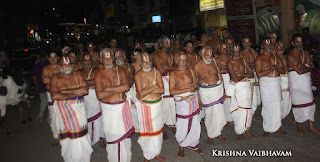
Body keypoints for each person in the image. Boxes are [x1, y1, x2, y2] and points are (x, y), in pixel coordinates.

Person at [50, 56, 92, 162]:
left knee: (81, 137)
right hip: (63, 113)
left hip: (78, 111)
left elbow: (85, 90)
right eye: (64, 64)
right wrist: (75, 91)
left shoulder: (77, 74)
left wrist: (64, 93)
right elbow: (54, 96)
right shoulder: (55, 77)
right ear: (59, 66)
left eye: (68, 64)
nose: (67, 66)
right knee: (66, 139)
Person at [95, 48, 134, 162]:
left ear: (113, 58)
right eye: (105, 58)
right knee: (113, 137)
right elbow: (100, 95)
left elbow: (126, 87)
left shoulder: (120, 71)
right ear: (101, 60)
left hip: (121, 108)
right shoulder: (99, 74)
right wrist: (118, 89)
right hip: (109, 111)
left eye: (110, 57)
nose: (108, 60)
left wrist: (107, 89)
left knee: (124, 139)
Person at [170, 52, 203, 158]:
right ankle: (181, 146)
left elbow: (197, 85)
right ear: (176, 61)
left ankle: (194, 145)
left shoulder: (191, 70)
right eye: (181, 60)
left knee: (195, 122)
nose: (184, 62)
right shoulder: (173, 73)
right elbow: (172, 91)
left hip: (193, 100)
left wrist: (195, 86)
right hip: (182, 102)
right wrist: (187, 89)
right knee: (182, 124)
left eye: (185, 59)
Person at [134, 52, 166, 162]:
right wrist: (155, 86)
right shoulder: (138, 75)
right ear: (140, 62)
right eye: (144, 61)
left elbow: (162, 90)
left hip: (157, 105)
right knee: (147, 131)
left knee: (157, 130)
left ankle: (156, 153)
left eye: (148, 61)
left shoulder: (156, 72)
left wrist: (147, 89)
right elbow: (141, 94)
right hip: (145, 107)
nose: (147, 63)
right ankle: (147, 155)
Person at [287, 34, 320, 135]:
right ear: (292, 43)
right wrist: (307, 67)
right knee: (298, 103)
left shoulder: (305, 52)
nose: (300, 43)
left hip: (305, 81)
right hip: (296, 82)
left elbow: (312, 65)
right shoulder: (290, 56)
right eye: (297, 42)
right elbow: (299, 71)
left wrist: (305, 66)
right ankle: (299, 125)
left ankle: (311, 126)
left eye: (301, 41)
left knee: (310, 101)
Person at [195, 46, 227, 145]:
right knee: (210, 114)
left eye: (210, 55)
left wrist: (224, 91)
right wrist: (198, 98)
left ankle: (218, 133)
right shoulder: (197, 66)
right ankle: (210, 136)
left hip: (217, 90)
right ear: (202, 55)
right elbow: (195, 83)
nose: (209, 57)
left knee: (218, 113)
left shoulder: (214, 61)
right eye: (207, 55)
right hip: (206, 93)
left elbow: (220, 76)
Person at [256, 38, 287, 137]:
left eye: (270, 44)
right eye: (266, 44)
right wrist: (271, 69)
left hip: (276, 83)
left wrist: (277, 68)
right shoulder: (259, 58)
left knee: (277, 106)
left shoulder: (276, 56)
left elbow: (283, 70)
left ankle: (277, 127)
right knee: (267, 106)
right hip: (266, 84)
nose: (268, 46)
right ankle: (267, 128)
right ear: (262, 46)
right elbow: (259, 74)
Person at [227, 44, 255, 140]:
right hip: (237, 87)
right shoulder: (229, 62)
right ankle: (239, 132)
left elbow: (252, 74)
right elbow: (235, 78)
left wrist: (242, 74)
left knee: (247, 109)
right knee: (239, 110)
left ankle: (247, 129)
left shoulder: (244, 60)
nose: (237, 53)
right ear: (231, 52)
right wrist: (245, 76)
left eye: (238, 51)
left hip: (245, 87)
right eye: (235, 51)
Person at [80, 54, 105, 147]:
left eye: (88, 60)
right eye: (85, 60)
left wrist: (85, 83)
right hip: (86, 98)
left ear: (92, 61)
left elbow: (98, 81)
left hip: (95, 96)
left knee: (100, 118)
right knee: (89, 118)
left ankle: (101, 139)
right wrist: (92, 82)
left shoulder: (96, 70)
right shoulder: (79, 72)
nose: (87, 62)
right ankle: (90, 138)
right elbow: (79, 83)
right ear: (82, 62)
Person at [153, 36, 176, 139]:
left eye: (169, 43)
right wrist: (170, 69)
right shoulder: (156, 56)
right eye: (166, 43)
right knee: (162, 106)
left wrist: (168, 68)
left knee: (172, 104)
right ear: (161, 44)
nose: (169, 45)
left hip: (170, 81)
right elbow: (161, 71)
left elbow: (177, 67)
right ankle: (162, 128)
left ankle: (173, 124)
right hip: (161, 82)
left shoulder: (171, 55)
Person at [240, 37, 261, 122]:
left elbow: (258, 62)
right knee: (249, 96)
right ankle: (249, 115)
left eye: (248, 42)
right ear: (242, 44)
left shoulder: (254, 52)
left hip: (255, 74)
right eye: (245, 42)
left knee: (255, 96)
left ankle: (252, 113)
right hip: (247, 76)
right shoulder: (241, 54)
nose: (247, 44)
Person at [42, 51, 60, 147]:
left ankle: (64, 135)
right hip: (51, 94)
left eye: (54, 57)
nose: (53, 59)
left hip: (62, 94)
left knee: (63, 115)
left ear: (57, 58)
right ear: (48, 59)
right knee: (53, 117)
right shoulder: (46, 68)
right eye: (51, 57)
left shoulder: (61, 67)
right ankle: (56, 137)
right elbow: (45, 80)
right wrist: (58, 79)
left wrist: (52, 79)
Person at [215, 42, 233, 124]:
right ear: (219, 49)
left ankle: (231, 117)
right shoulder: (217, 59)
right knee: (224, 97)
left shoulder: (231, 57)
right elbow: (217, 71)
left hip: (231, 78)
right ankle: (225, 118)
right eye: (222, 48)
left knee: (231, 97)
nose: (224, 50)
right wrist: (228, 69)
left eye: (226, 48)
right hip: (223, 79)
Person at [276, 41, 293, 122]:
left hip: (288, 78)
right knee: (282, 98)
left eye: (282, 46)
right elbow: (278, 69)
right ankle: (280, 115)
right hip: (281, 79)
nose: (281, 48)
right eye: (279, 46)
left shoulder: (286, 56)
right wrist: (285, 70)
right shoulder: (275, 57)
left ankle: (286, 114)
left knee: (288, 98)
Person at [33, 51, 49, 123]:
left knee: (43, 101)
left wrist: (36, 85)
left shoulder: (36, 65)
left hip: (40, 86)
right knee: (49, 102)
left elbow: (34, 77)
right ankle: (49, 118)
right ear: (46, 56)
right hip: (48, 86)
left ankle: (40, 115)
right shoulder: (48, 64)